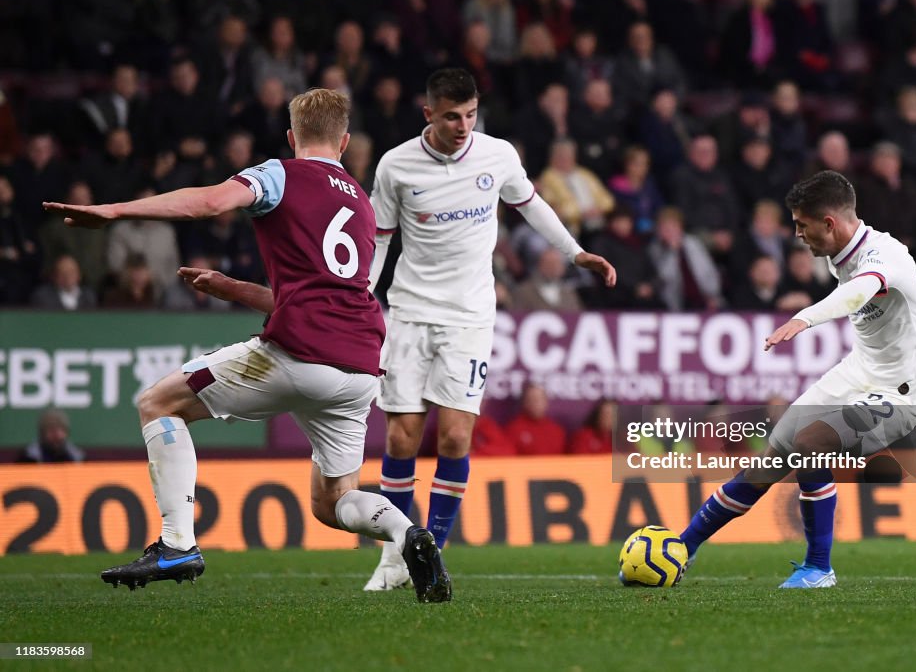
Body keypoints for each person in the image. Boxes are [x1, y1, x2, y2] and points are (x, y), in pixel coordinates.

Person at [191, 69, 616, 592]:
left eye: (470, 115)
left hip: (470, 317)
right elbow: (379, 242)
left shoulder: (497, 155)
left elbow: (530, 203)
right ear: (429, 114)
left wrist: (574, 253)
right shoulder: (396, 166)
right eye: (452, 116)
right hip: (410, 312)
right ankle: (395, 555)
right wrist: (353, 301)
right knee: (401, 435)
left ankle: (431, 551)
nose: (463, 127)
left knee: (458, 436)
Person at [42, 88, 451, 603]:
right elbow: (322, 294)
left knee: (157, 403)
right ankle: (408, 534)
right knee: (333, 501)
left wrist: (116, 211)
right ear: (345, 142)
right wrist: (229, 287)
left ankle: (177, 544)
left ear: (290, 137)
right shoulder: (362, 206)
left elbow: (211, 202)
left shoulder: (282, 172)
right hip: (359, 367)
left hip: (298, 354)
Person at [675, 170, 916, 588]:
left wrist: (804, 318)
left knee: (811, 443)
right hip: (856, 372)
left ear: (829, 223)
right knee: (771, 460)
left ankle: (819, 568)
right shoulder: (851, 252)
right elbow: (897, 281)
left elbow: (858, 291)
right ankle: (681, 548)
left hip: (899, 390)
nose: (797, 234)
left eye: (802, 224)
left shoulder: (877, 257)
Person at [17, 408, 85, 463]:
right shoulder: (28, 459)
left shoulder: (77, 459)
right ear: (42, 433)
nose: (57, 435)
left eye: (61, 430)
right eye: (52, 430)